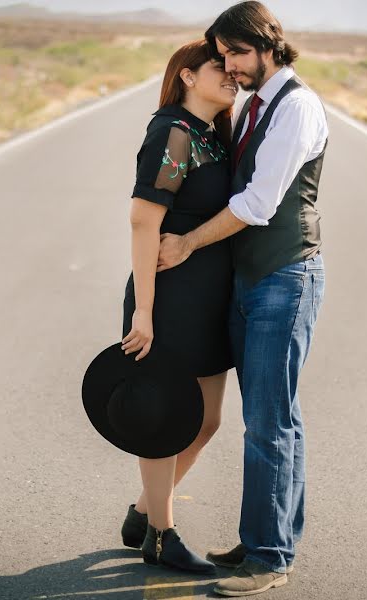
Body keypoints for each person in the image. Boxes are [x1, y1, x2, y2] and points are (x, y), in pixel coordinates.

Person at [156, 1, 329, 595]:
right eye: (222, 55)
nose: (229, 65)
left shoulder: (297, 106)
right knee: (268, 419)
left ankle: (270, 556)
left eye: (237, 52)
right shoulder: (252, 105)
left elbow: (258, 204)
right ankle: (261, 536)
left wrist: (187, 243)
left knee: (270, 422)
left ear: (269, 45)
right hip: (250, 281)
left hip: (285, 276)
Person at [117, 39, 238, 574]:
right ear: (187, 76)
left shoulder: (213, 135)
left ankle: (145, 510)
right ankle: (162, 534)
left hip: (210, 298)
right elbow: (144, 221)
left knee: (207, 420)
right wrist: (144, 311)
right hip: (170, 299)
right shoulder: (173, 132)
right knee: (167, 419)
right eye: (220, 65)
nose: (232, 72)